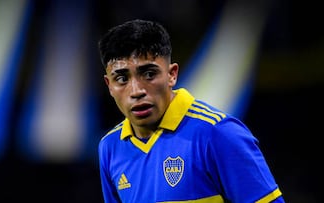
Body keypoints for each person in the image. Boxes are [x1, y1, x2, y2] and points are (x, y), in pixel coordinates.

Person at [97, 19, 285, 203]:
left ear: (172, 75)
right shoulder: (109, 148)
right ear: (109, 85)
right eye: (121, 78)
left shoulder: (218, 133)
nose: (137, 91)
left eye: (149, 74)